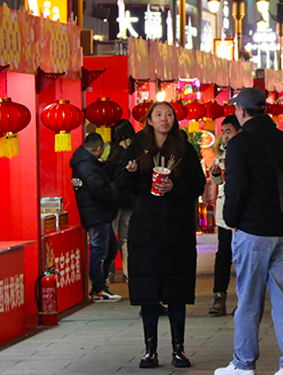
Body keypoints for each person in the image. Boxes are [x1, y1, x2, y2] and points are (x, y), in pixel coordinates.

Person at [216, 87, 283, 375]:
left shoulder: (239, 144)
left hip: (253, 232)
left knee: (248, 301)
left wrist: (231, 220)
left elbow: (235, 189)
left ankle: (244, 364)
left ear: (241, 111)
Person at [114, 102, 206, 368]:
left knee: (177, 291)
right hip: (146, 227)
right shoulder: (138, 147)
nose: (164, 119)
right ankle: (150, 350)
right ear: (149, 120)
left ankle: (179, 350)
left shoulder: (184, 147)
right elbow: (120, 184)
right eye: (158, 115)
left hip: (177, 228)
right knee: (148, 293)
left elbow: (197, 184)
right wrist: (130, 174)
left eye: (168, 115)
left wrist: (174, 186)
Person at [70, 132, 122, 301]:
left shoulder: (85, 163)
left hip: (97, 213)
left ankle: (100, 285)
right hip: (97, 214)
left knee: (110, 248)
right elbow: (99, 191)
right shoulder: (87, 166)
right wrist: (115, 201)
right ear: (99, 149)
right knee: (99, 250)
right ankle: (98, 288)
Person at [209, 114, 242, 316]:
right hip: (225, 214)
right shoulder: (221, 154)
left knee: (243, 258)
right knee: (223, 255)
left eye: (228, 131)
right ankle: (219, 297)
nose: (225, 136)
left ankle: (244, 300)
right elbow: (219, 183)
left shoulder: (247, 151)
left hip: (243, 214)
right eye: (223, 131)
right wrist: (215, 174)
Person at [104, 118, 137, 282]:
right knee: (126, 239)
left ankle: (109, 273)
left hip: (115, 201)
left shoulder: (115, 151)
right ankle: (128, 272)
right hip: (130, 201)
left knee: (111, 239)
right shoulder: (136, 149)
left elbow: (107, 173)